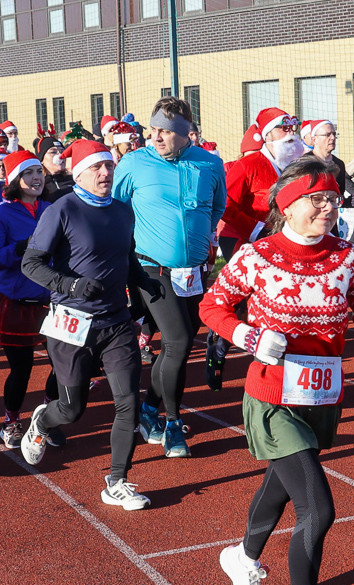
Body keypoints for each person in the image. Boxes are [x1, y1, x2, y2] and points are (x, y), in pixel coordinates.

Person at [200, 157, 354, 585]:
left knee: (281, 487)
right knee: (318, 507)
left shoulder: (348, 256)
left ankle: (242, 558)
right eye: (316, 199)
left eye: (332, 198)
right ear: (287, 206)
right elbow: (212, 306)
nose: (327, 208)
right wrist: (247, 335)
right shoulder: (256, 256)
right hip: (271, 399)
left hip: (322, 397)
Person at [19, 140, 163, 510]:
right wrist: (70, 285)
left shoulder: (121, 210)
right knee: (72, 409)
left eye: (109, 167)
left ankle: (117, 480)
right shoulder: (62, 208)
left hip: (115, 322)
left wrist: (142, 284)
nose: (105, 173)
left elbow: (126, 256)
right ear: (79, 172)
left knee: (128, 403)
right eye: (97, 168)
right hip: (72, 323)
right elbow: (31, 263)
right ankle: (43, 422)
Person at [112, 96, 227, 458]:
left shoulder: (209, 163)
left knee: (181, 341)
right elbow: (116, 211)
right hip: (149, 268)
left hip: (192, 272)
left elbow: (218, 205)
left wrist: (199, 238)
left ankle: (148, 410)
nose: (156, 137)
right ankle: (173, 424)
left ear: (186, 134)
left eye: (164, 131)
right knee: (177, 341)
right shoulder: (134, 162)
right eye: (153, 130)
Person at [209, 107, 304, 391]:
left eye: (292, 129)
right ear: (266, 136)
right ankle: (219, 342)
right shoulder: (249, 164)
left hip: (278, 238)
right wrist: (254, 228)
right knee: (245, 295)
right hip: (241, 236)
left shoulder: (297, 164)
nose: (290, 135)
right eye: (282, 129)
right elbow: (224, 203)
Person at [0, 151, 60, 449]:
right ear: (15, 180)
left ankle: (46, 417)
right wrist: (23, 248)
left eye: (39, 171)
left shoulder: (52, 208)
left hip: (53, 299)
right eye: (29, 173)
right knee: (21, 369)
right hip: (17, 302)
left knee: (64, 364)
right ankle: (11, 420)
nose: (37, 177)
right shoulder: (2, 212)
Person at [300, 119, 352, 208]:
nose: (332, 138)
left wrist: (348, 202)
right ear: (314, 139)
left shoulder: (339, 163)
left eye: (334, 134)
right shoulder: (304, 163)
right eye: (327, 135)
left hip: (331, 215)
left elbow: (339, 195)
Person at [34, 132, 73, 203]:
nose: (60, 155)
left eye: (62, 151)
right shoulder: (38, 185)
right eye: (53, 152)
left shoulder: (74, 181)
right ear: (41, 159)